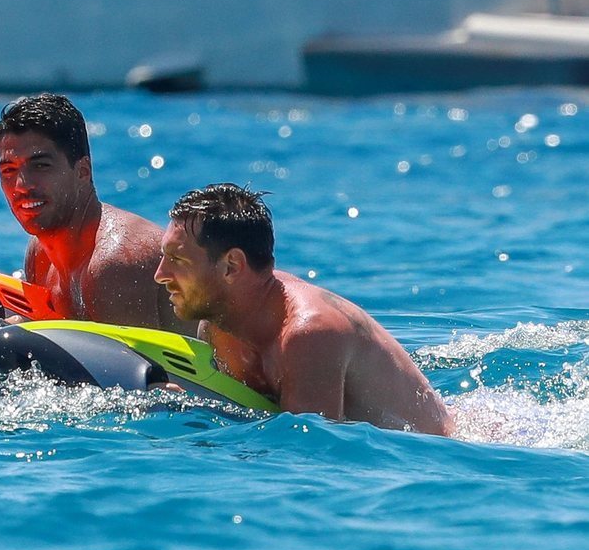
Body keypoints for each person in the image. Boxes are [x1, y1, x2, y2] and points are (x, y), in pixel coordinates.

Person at [153, 183, 453, 435]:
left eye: (177, 260)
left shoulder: (308, 334)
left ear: (232, 266)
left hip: (444, 453)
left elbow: (307, 456)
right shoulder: (215, 325)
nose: (160, 274)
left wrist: (194, 410)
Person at [0, 93, 193, 334]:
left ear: (83, 171)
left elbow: (135, 369)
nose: (22, 184)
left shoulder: (116, 263)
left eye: (41, 165)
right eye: (8, 170)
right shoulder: (40, 254)